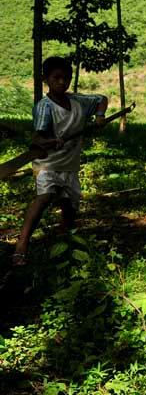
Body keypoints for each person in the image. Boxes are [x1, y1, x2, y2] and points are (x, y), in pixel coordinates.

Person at [13, 56, 108, 265]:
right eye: (56, 78)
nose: (61, 82)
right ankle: (21, 245)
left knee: (69, 206)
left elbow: (101, 98)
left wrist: (100, 115)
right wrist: (50, 141)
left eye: (66, 78)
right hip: (48, 163)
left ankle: (65, 241)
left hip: (70, 165)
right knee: (44, 198)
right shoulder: (44, 107)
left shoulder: (79, 101)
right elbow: (37, 138)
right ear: (46, 79)